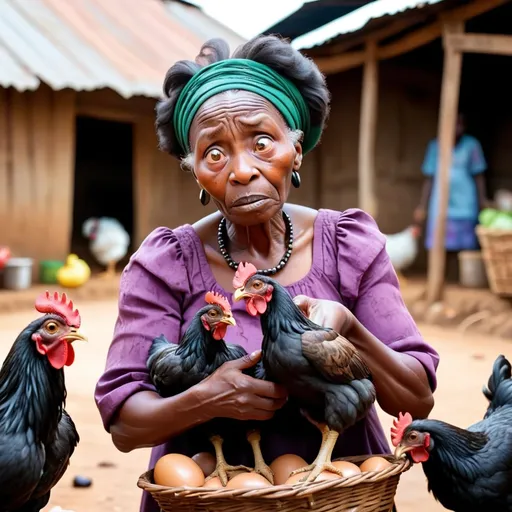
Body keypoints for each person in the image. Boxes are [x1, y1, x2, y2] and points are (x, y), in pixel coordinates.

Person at [94, 35, 439, 512]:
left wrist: (349, 331)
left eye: (262, 143)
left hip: (339, 496)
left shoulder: (349, 246)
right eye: (214, 153)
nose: (241, 170)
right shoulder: (164, 264)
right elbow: (125, 426)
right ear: (193, 168)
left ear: (295, 150)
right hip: (207, 497)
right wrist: (207, 399)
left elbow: (417, 398)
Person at [414, 112, 490, 256]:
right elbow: (429, 178)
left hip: (466, 200)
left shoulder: (472, 145)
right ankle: (441, 276)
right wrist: (422, 205)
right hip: (440, 200)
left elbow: (479, 175)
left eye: (460, 124)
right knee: (440, 242)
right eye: (454, 124)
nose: (457, 128)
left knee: (466, 243)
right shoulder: (435, 146)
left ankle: (461, 276)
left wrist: (482, 199)